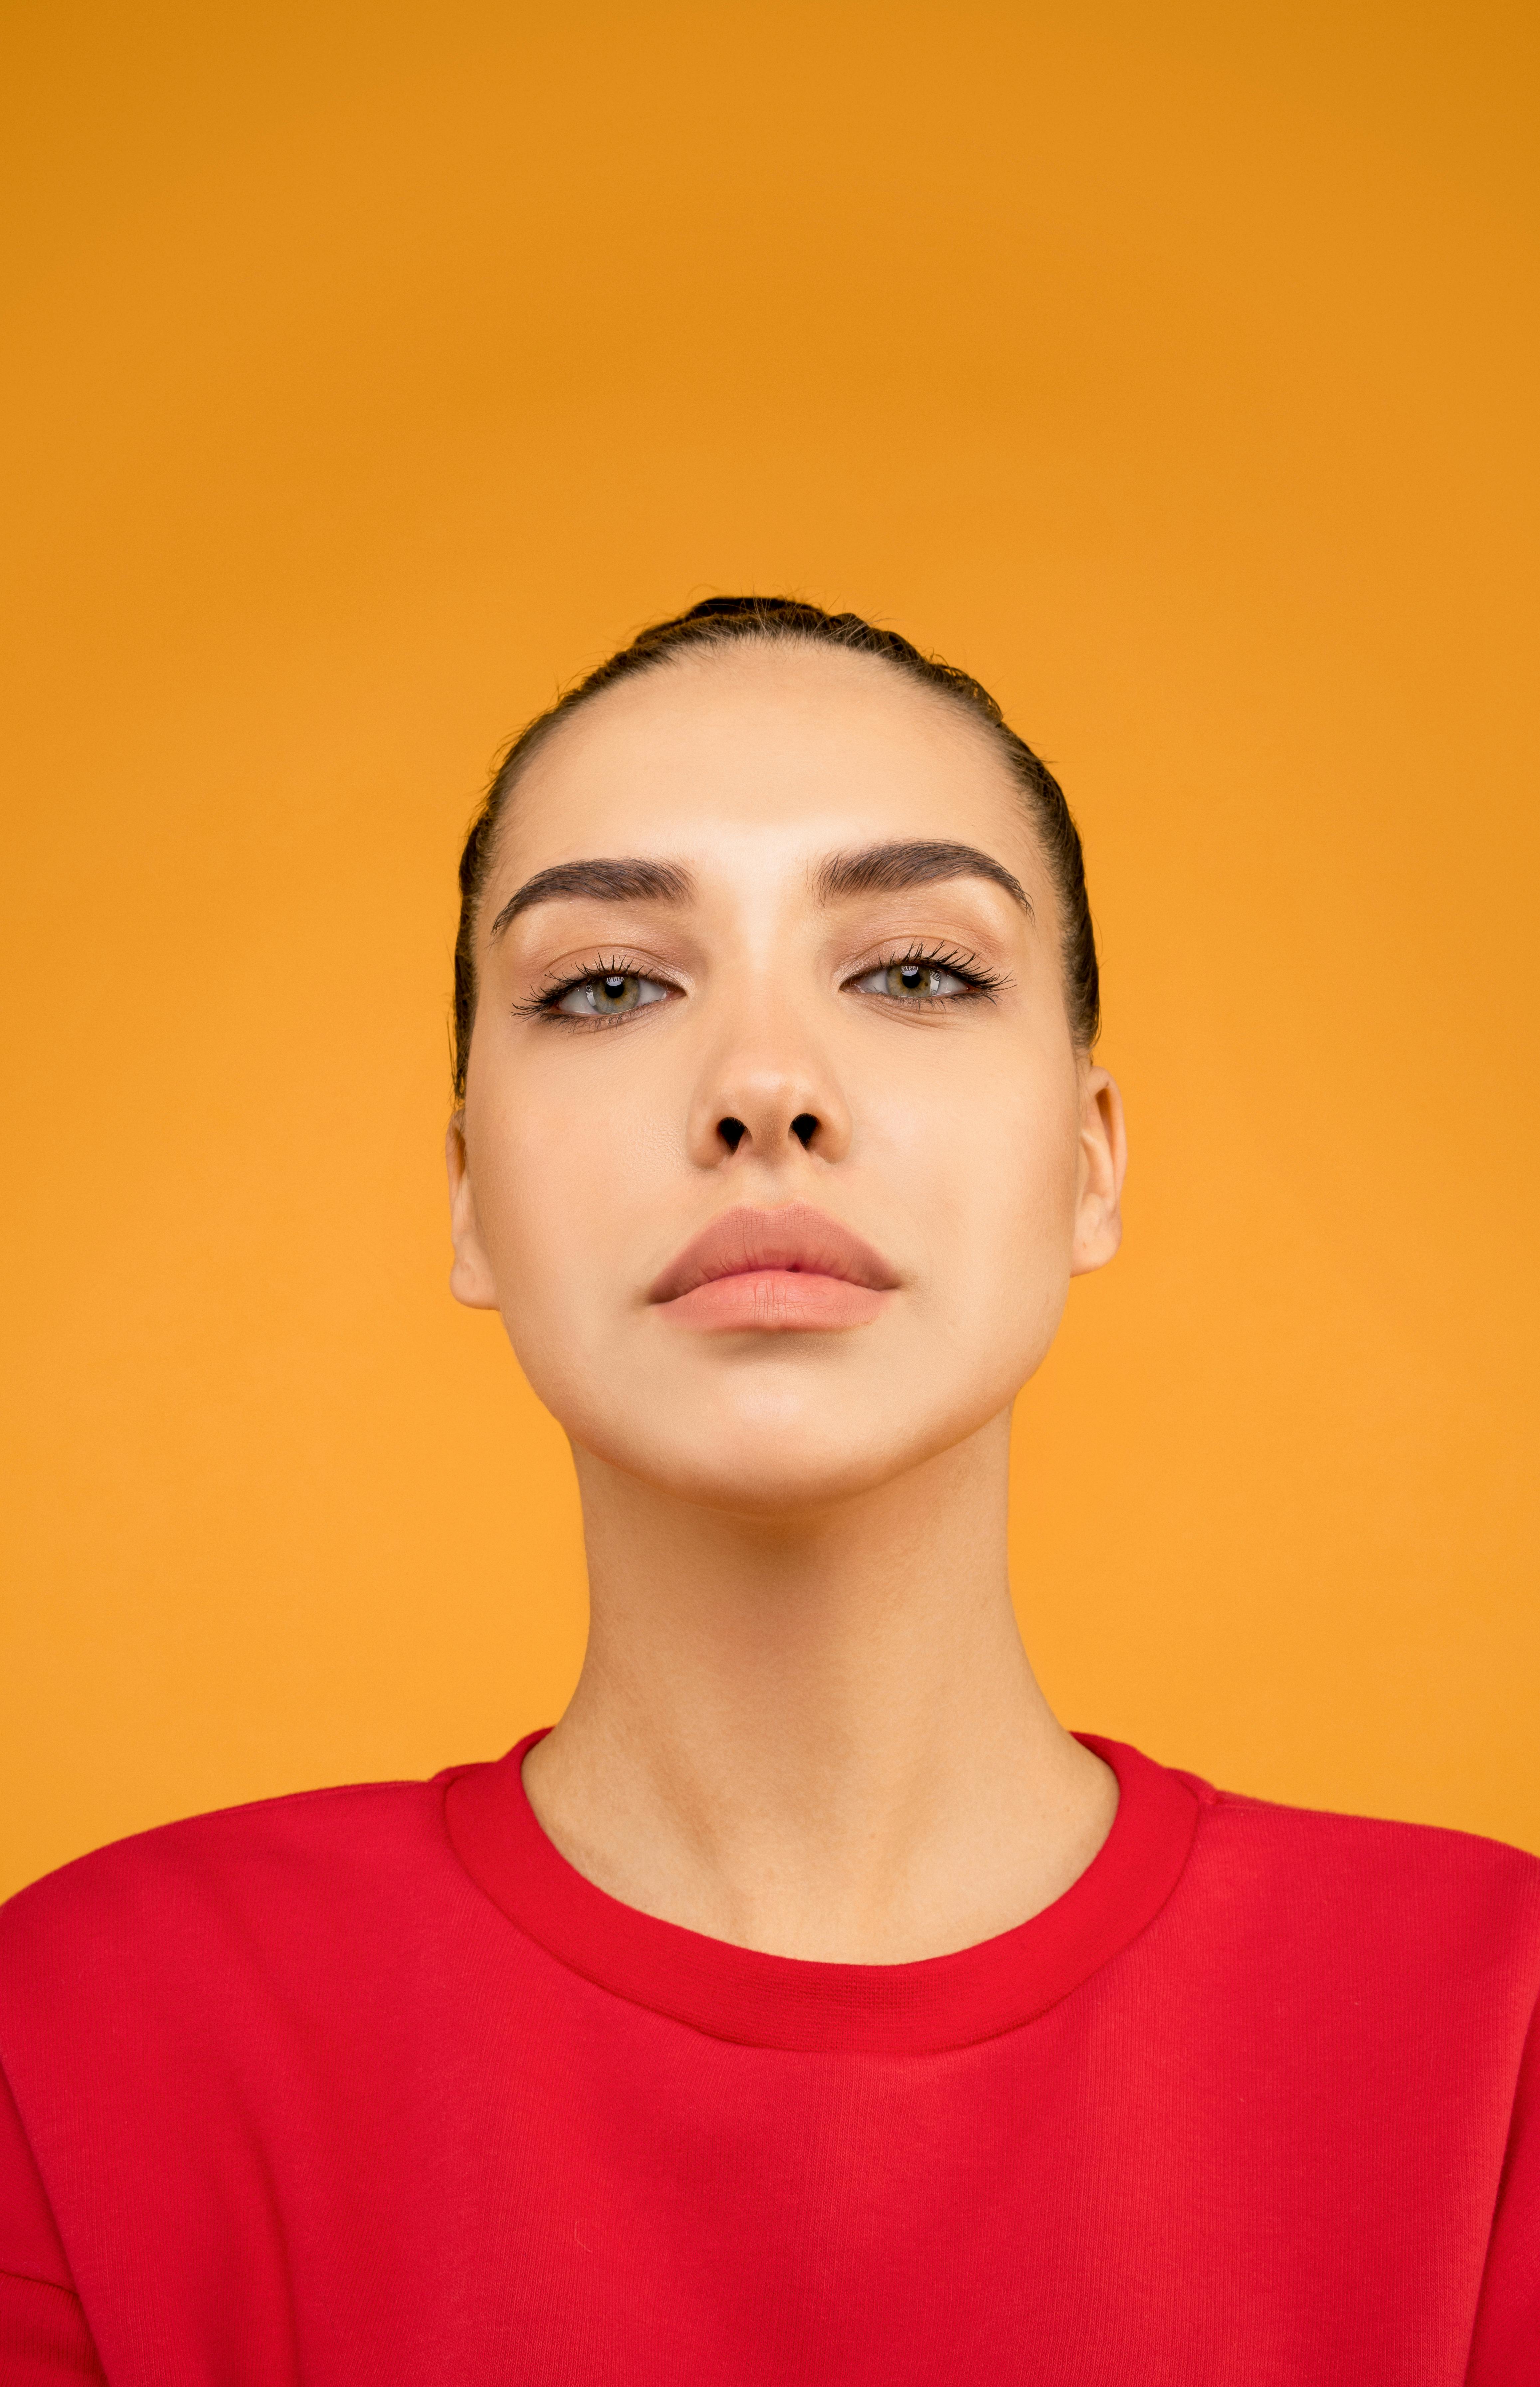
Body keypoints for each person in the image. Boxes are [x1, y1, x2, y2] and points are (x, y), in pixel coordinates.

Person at [0, 597, 1534, 2384]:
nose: (761, 1087)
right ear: (470, 1197)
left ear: (1092, 1161)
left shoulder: (1491, 2045)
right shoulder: (89, 2046)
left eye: (912, 970)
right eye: (606, 984)